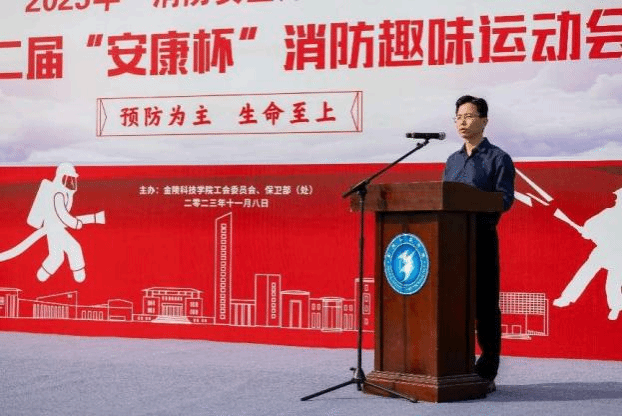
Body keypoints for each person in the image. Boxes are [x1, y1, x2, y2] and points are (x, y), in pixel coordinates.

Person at [442, 95, 516, 393]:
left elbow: (504, 199)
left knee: (485, 307)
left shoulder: (499, 158)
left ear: (484, 121)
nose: (463, 122)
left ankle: (486, 371)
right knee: (453, 305)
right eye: (458, 117)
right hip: (451, 243)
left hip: (481, 239)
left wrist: (473, 203)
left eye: (469, 116)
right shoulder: (452, 160)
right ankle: (457, 364)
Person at [553, 187, 622, 321]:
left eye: (619, 198)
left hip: (619, 255)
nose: (617, 200)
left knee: (613, 282)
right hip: (602, 251)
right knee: (584, 273)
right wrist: (587, 231)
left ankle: (615, 307)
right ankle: (566, 298)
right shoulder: (608, 212)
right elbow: (591, 224)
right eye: (618, 198)